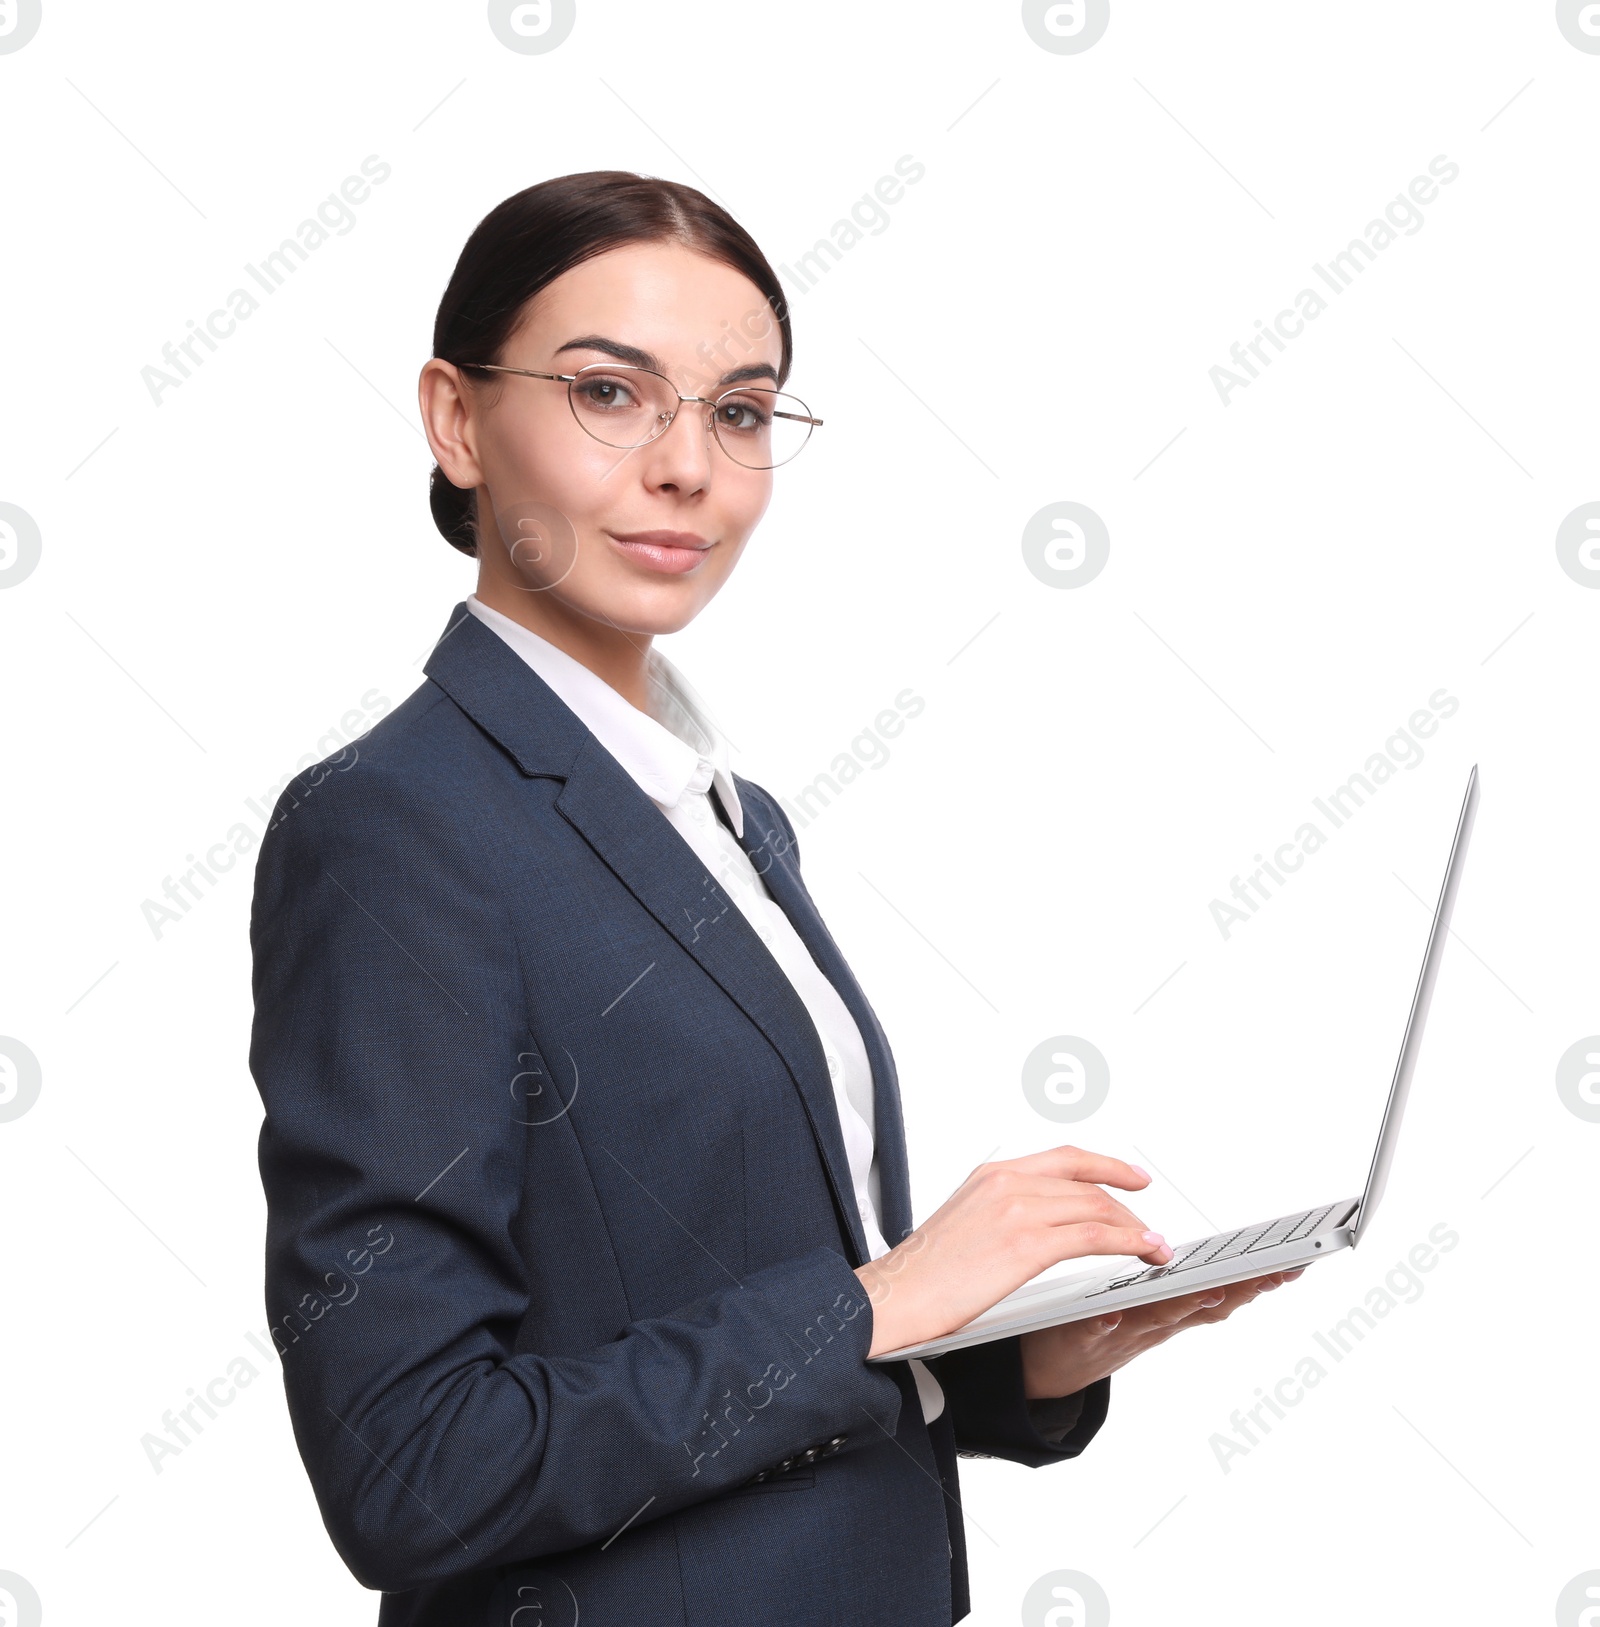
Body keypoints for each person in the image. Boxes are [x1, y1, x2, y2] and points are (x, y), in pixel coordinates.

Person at [247, 170, 1303, 1627]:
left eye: (739, 411)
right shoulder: (392, 829)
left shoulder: (730, 820)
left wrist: (1013, 1352)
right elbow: (416, 1467)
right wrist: (883, 1302)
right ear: (456, 418)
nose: (688, 466)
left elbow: (734, 1323)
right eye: (611, 393)